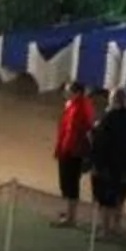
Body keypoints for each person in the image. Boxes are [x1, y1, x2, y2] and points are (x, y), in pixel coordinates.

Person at [90, 86, 126, 239]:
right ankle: (116, 227)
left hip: (108, 168)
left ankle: (105, 230)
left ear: (112, 100)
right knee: (120, 198)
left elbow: (99, 144)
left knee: (105, 200)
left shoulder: (106, 119)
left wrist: (95, 165)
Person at [50, 82, 98, 227]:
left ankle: (71, 217)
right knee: (66, 183)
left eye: (68, 90)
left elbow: (84, 131)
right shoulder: (72, 105)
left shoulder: (81, 108)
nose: (65, 93)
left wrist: (88, 154)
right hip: (66, 149)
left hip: (74, 152)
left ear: (77, 92)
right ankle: (69, 213)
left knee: (71, 184)